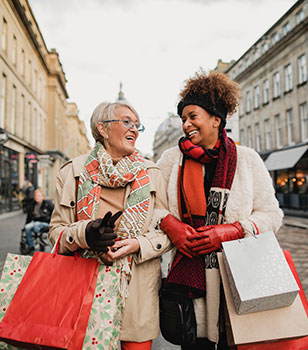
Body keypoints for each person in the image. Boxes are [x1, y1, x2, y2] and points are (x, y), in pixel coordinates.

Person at [157, 70, 283, 350]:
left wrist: (234, 230)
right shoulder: (170, 159)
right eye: (183, 118)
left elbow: (272, 215)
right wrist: (169, 224)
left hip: (237, 277)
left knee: (233, 342)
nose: (186, 124)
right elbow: (154, 207)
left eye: (193, 116)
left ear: (216, 119)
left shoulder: (247, 159)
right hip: (188, 282)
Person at [48, 101, 171, 350]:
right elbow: (55, 232)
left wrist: (138, 243)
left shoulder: (152, 173)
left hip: (136, 293)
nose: (134, 129)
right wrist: (85, 234)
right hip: (83, 289)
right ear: (102, 129)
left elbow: (167, 230)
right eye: (126, 122)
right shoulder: (72, 171)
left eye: (137, 125)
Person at [24, 188, 54, 253]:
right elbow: (29, 216)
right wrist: (26, 224)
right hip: (35, 222)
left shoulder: (48, 204)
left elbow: (54, 214)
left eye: (39, 196)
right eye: (36, 196)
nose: (37, 197)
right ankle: (31, 245)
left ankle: (40, 241)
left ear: (43, 196)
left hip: (46, 222)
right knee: (27, 227)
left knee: (37, 225)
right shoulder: (32, 204)